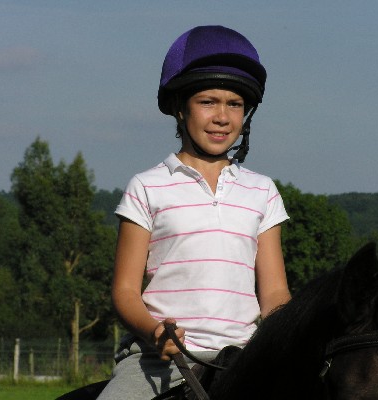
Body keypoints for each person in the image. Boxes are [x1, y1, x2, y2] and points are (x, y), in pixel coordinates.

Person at [97, 25, 291, 399]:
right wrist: (155, 332)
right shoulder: (146, 187)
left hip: (243, 359)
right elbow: (124, 291)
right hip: (160, 361)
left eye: (234, 104)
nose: (222, 117)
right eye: (208, 101)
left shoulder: (262, 191)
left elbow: (275, 293)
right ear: (179, 108)